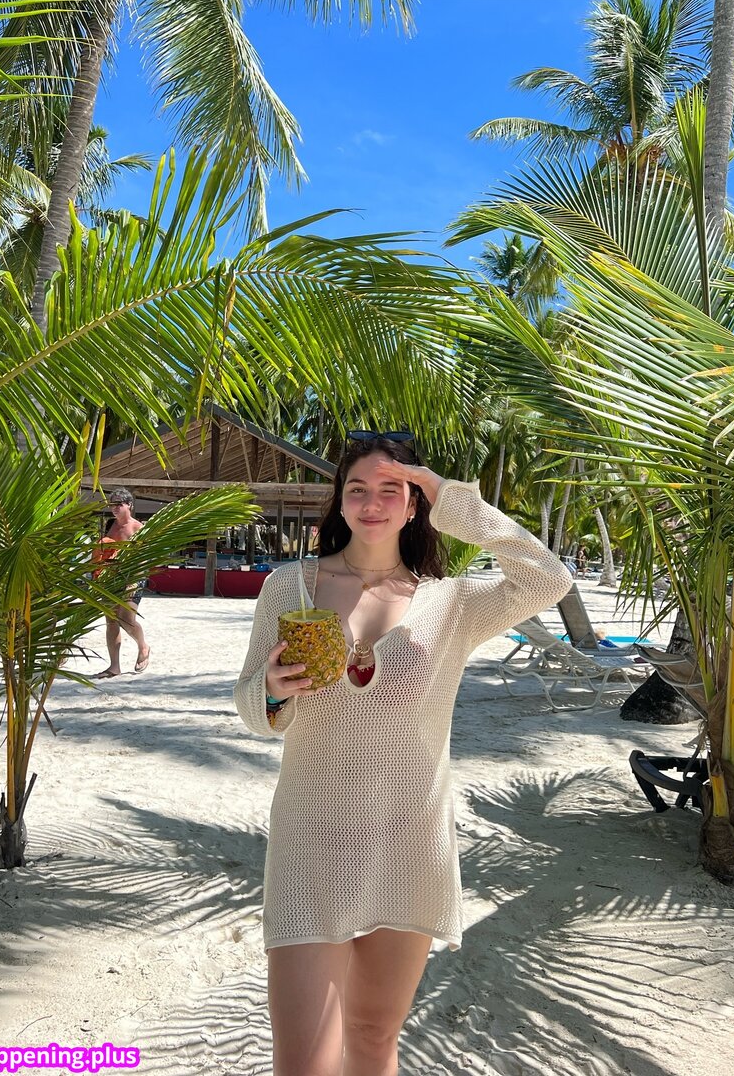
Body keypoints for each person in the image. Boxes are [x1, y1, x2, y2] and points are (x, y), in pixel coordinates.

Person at [233, 432, 573, 1076]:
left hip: (410, 843)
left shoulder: (452, 603)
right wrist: (273, 690)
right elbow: (255, 711)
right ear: (340, 500)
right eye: (357, 488)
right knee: (302, 1064)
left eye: (392, 489)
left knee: (371, 1039)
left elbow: (549, 578)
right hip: (312, 843)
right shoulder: (290, 588)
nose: (371, 503)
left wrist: (455, 501)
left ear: (415, 503)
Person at [92, 487, 150, 679]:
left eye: (119, 504)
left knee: (126, 618)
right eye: (112, 504)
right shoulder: (109, 525)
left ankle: (143, 646)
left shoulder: (138, 528)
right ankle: (114, 666)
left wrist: (133, 579)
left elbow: (145, 557)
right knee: (111, 621)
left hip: (133, 576)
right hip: (110, 576)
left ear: (129, 505)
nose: (114, 508)